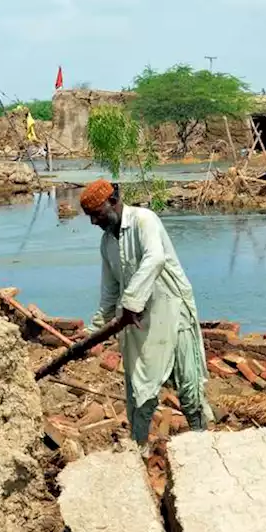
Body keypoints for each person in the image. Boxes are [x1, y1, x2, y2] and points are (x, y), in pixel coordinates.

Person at [78, 179, 213, 451]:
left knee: (189, 389)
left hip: (173, 313)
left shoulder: (144, 220)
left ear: (113, 202)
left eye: (97, 214)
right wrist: (92, 333)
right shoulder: (107, 243)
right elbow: (109, 292)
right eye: (90, 216)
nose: (94, 222)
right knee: (140, 393)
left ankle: (204, 447)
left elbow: (155, 258)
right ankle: (137, 451)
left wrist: (131, 301)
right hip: (141, 322)